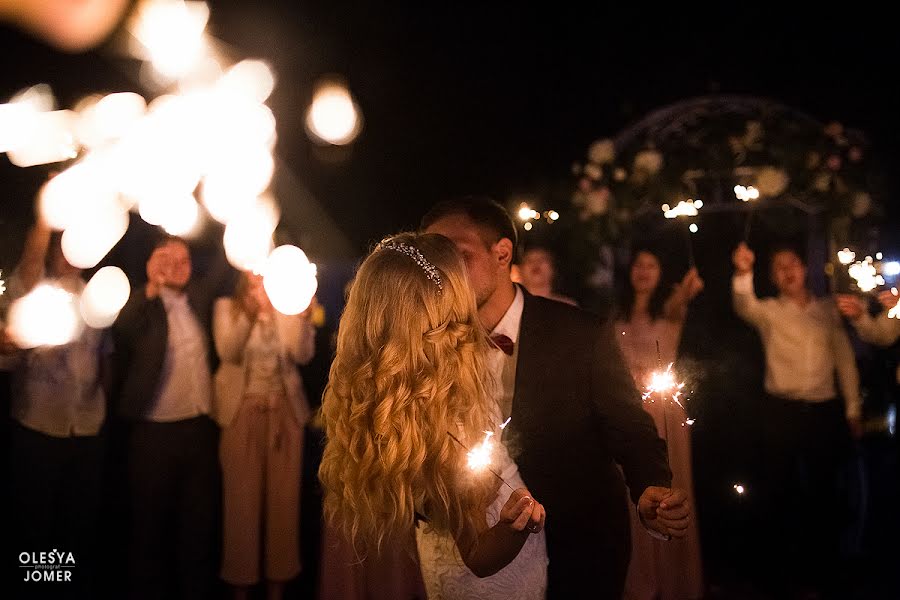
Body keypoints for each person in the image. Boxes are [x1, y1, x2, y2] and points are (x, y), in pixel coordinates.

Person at [422, 196, 690, 600]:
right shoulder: (424, 343)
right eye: (431, 258)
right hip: (471, 555)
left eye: (457, 254)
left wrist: (650, 486)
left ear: (502, 253)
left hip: (577, 544)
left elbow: (629, 427)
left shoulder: (580, 332)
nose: (442, 271)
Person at [318, 232, 548, 600]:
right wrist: (515, 526)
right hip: (492, 582)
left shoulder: (384, 398)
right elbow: (478, 555)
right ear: (438, 307)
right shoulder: (444, 422)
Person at [731, 241, 862, 597]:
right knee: (777, 493)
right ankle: (776, 578)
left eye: (792, 263)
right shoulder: (769, 311)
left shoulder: (827, 311)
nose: (787, 270)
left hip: (822, 412)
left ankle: (824, 575)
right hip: (781, 411)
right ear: (773, 278)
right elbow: (744, 305)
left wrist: (852, 409)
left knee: (824, 495)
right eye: (778, 267)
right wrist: (744, 272)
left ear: (805, 268)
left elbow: (844, 361)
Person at [112, 235, 226, 600]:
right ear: (152, 261)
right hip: (153, 436)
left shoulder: (199, 297)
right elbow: (121, 328)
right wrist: (150, 286)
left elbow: (226, 264)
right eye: (168, 258)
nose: (178, 265)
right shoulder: (141, 304)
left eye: (185, 259)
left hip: (199, 432)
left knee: (197, 528)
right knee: (149, 530)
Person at [2, 219, 109, 599]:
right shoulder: (33, 289)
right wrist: (48, 215)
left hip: (85, 429)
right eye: (64, 248)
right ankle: (37, 589)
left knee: (77, 523)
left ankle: (72, 588)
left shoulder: (94, 299)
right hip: (39, 427)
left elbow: (103, 358)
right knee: (35, 525)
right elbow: (30, 263)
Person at [211, 272, 317, 600]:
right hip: (241, 413)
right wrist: (253, 313)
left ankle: (277, 589)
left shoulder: (289, 307)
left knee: (284, 505)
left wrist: (300, 319)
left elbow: (302, 355)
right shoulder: (226, 307)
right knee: (241, 506)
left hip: (285, 414)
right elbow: (228, 351)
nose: (262, 280)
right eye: (255, 277)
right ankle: (240, 587)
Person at [614, 248, 705, 600]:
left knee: (670, 487)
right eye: (638, 264)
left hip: (665, 410)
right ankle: (640, 580)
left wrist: (688, 286)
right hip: (629, 411)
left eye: (652, 265)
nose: (643, 271)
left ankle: (674, 580)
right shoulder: (615, 311)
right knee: (632, 490)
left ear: (661, 272)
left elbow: (684, 296)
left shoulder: (670, 307)